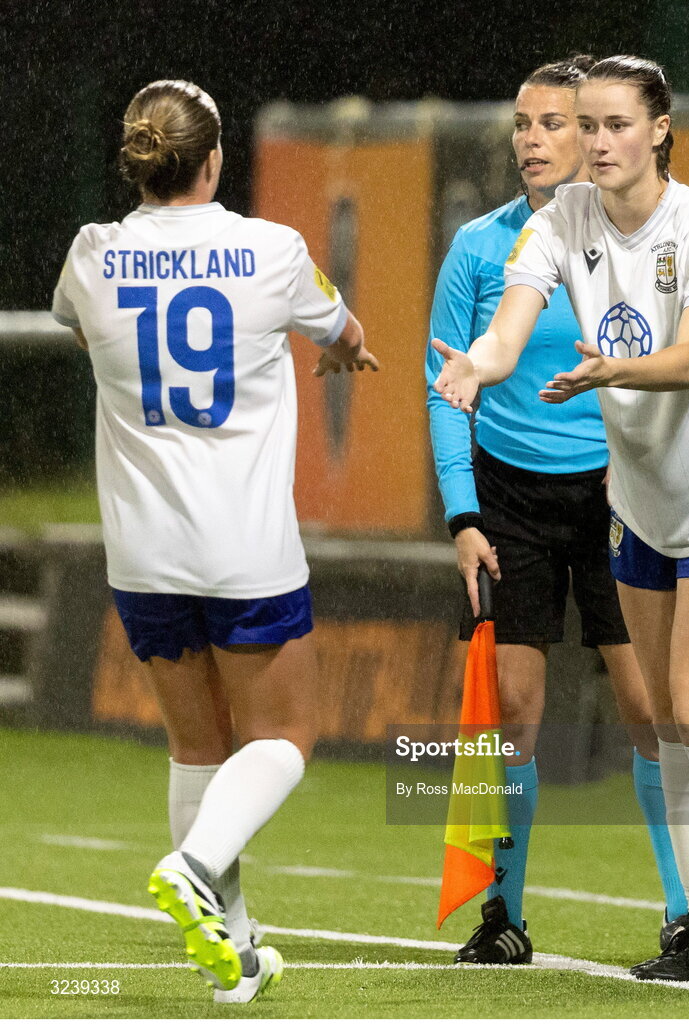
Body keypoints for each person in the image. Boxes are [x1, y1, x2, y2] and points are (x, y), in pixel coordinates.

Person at [432, 54, 689, 984]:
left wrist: (607, 372)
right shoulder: (562, 220)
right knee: (669, 720)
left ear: (661, 128)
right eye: (584, 125)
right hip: (643, 506)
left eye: (615, 125)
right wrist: (482, 363)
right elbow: (512, 324)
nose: (595, 142)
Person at [51, 79, 378, 1003]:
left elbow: (85, 333)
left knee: (199, 747)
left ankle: (232, 949)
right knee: (284, 735)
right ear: (215, 158)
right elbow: (345, 328)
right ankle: (195, 867)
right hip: (243, 547)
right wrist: (341, 348)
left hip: (142, 553)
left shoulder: (92, 253)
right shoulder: (270, 250)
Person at [425, 55, 687, 966]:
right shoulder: (478, 247)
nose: (531, 140)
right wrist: (464, 516)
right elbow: (446, 384)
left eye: (553, 123)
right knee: (515, 719)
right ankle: (502, 918)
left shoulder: (641, 237)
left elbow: (675, 361)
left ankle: (687, 911)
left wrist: (639, 454)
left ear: (596, 134)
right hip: (510, 500)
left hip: (622, 492)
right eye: (522, 124)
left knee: (652, 709)